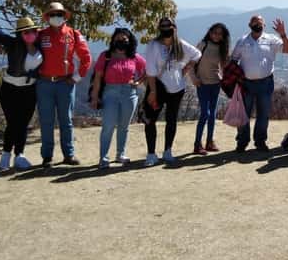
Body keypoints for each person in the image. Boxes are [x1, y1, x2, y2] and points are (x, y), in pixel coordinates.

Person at [0, 2, 43, 170]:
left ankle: (20, 155)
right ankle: (5, 155)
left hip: (29, 90)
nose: (30, 34)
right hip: (10, 89)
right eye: (26, 32)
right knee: (13, 123)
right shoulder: (12, 44)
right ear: (20, 34)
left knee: (23, 123)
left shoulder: (41, 47)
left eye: (33, 31)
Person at [36, 1, 92, 167]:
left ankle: (69, 154)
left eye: (59, 14)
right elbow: (24, 47)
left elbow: (86, 58)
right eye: (52, 14)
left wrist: (75, 78)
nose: (56, 17)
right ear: (47, 17)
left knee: (66, 120)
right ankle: (47, 157)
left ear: (64, 16)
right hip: (44, 83)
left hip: (65, 84)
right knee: (46, 120)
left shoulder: (73, 34)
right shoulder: (40, 34)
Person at [143, 18, 202, 166]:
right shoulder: (153, 46)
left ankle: (168, 150)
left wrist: (187, 67)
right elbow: (150, 70)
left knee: (171, 119)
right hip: (158, 87)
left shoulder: (180, 44)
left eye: (168, 26)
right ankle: (151, 153)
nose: (166, 29)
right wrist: (152, 92)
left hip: (177, 87)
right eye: (163, 26)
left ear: (174, 28)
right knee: (151, 119)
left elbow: (197, 54)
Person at [230, 14, 288, 152]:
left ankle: (260, 141)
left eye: (260, 22)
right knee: (243, 114)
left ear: (264, 25)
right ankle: (242, 141)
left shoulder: (271, 39)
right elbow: (233, 61)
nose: (257, 24)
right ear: (249, 25)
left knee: (263, 114)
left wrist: (283, 34)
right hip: (246, 83)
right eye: (254, 22)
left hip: (265, 83)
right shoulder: (242, 41)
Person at [90, 28, 146, 167]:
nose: (121, 41)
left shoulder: (134, 57)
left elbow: (148, 70)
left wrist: (138, 82)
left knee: (124, 126)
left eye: (124, 39)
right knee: (108, 125)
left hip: (129, 93)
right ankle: (103, 157)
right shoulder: (106, 56)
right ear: (113, 40)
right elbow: (97, 77)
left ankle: (120, 154)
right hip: (110, 92)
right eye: (118, 39)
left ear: (129, 41)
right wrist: (95, 97)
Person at [192, 23, 231, 155]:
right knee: (205, 114)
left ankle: (209, 142)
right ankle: (197, 144)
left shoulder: (222, 48)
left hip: (215, 84)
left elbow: (224, 66)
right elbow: (191, 63)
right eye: (214, 32)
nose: (216, 35)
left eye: (220, 34)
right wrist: (194, 79)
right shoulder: (203, 45)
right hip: (202, 84)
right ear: (210, 32)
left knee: (212, 114)